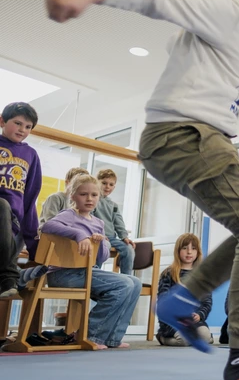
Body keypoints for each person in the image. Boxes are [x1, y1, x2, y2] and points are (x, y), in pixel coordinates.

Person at [46, 0, 239, 380]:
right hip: (184, 135)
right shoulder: (231, 13)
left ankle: (184, 298)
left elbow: (178, 42)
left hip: (198, 138)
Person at [41, 174, 141, 349]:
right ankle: (90, 335)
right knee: (124, 284)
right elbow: (47, 226)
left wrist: (100, 243)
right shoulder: (69, 215)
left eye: (94, 195)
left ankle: (112, 338)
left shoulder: (98, 223)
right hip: (63, 274)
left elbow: (101, 258)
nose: (89, 199)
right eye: (83, 194)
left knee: (135, 283)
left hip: (86, 271)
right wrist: (79, 234)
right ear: (72, 196)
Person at [0, 102, 42, 299]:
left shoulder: (30, 155)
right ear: (2, 121)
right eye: (17, 123)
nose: (22, 130)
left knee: (5, 207)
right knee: (2, 204)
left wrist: (34, 247)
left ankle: (10, 279)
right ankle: (8, 277)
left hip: (11, 225)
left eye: (28, 127)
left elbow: (29, 200)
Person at [157, 233, 213, 346]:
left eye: (193, 248)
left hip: (194, 321)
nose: (189, 252)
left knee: (205, 337)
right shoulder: (168, 273)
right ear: (178, 251)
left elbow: (207, 302)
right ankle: (163, 337)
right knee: (183, 340)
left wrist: (199, 315)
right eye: (185, 248)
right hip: (173, 321)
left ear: (198, 252)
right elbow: (163, 299)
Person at [93, 168, 136, 275]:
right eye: (104, 183)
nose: (107, 186)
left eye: (111, 184)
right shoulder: (92, 200)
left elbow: (118, 222)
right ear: (96, 182)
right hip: (98, 237)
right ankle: (94, 274)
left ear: (114, 187)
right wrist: (100, 235)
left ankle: (127, 277)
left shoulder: (113, 205)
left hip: (111, 237)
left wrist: (124, 236)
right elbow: (90, 219)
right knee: (104, 246)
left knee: (128, 249)